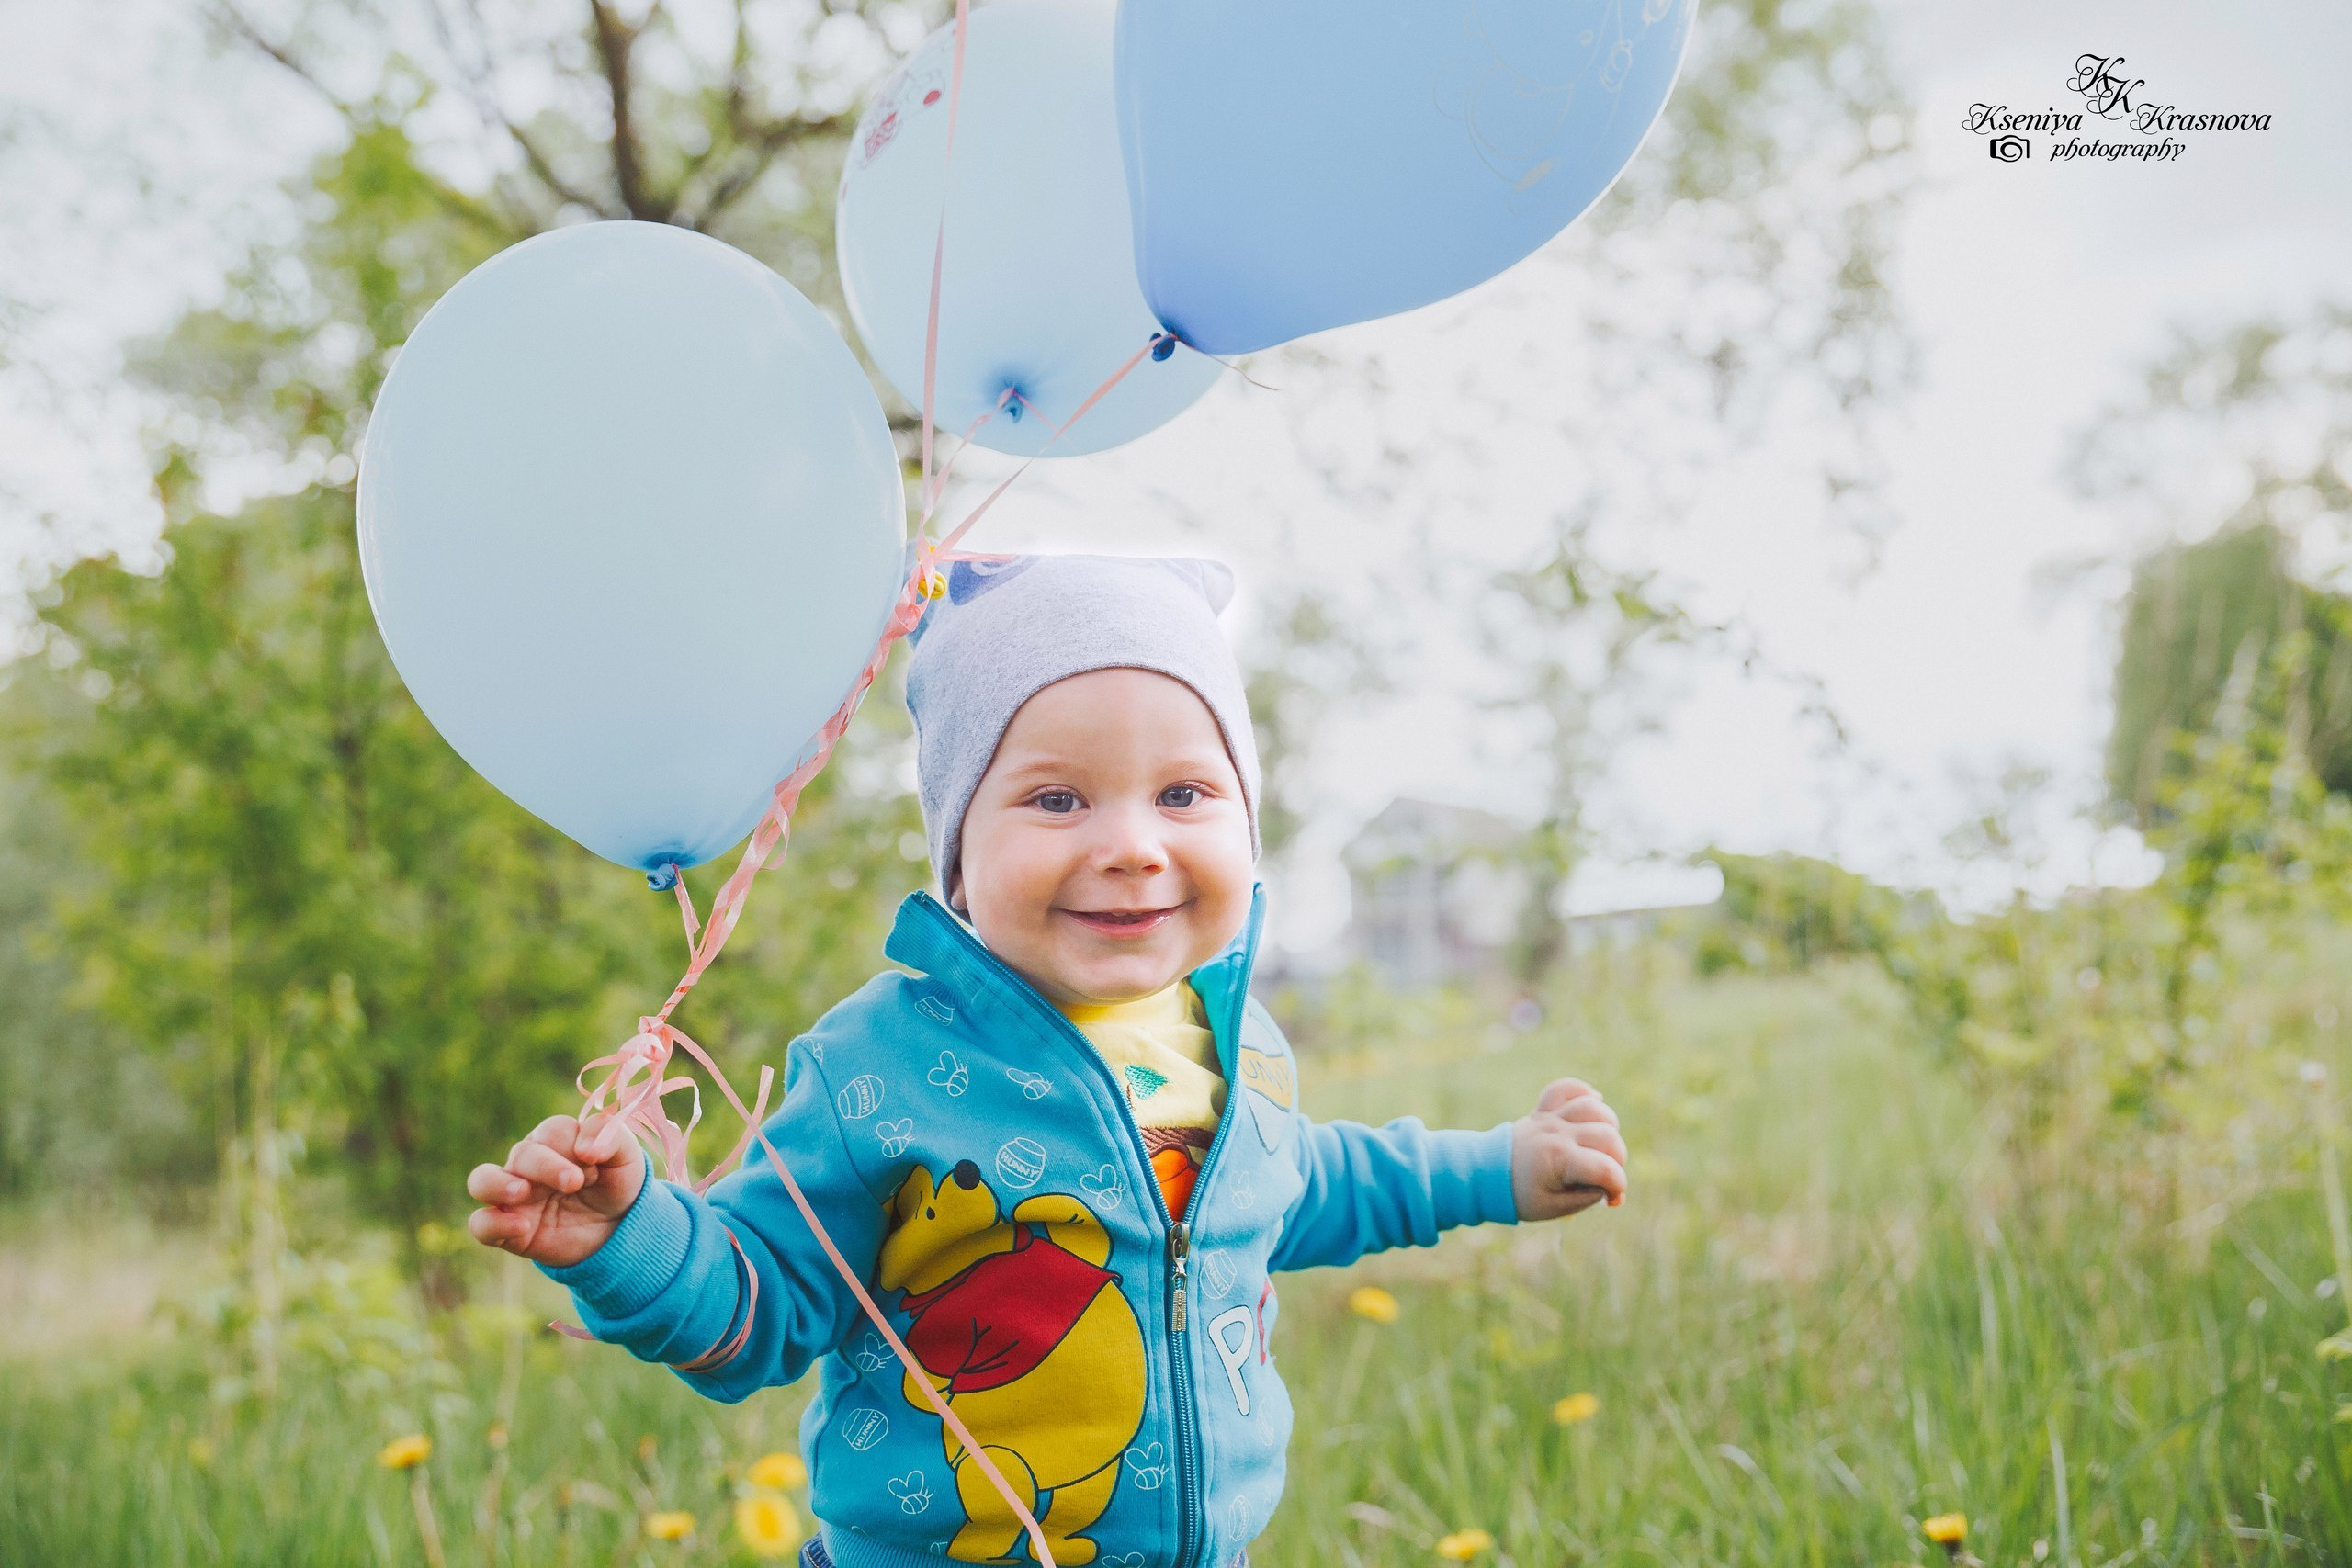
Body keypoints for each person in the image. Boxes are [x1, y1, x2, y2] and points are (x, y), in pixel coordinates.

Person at [466, 555, 1629, 1568]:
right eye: (1057, 798)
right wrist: (629, 1241)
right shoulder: (880, 1066)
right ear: (957, 852)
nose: (1131, 845)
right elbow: (759, 1302)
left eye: (1184, 793)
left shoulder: (1238, 1041)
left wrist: (1503, 1169)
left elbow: (1310, 1184)